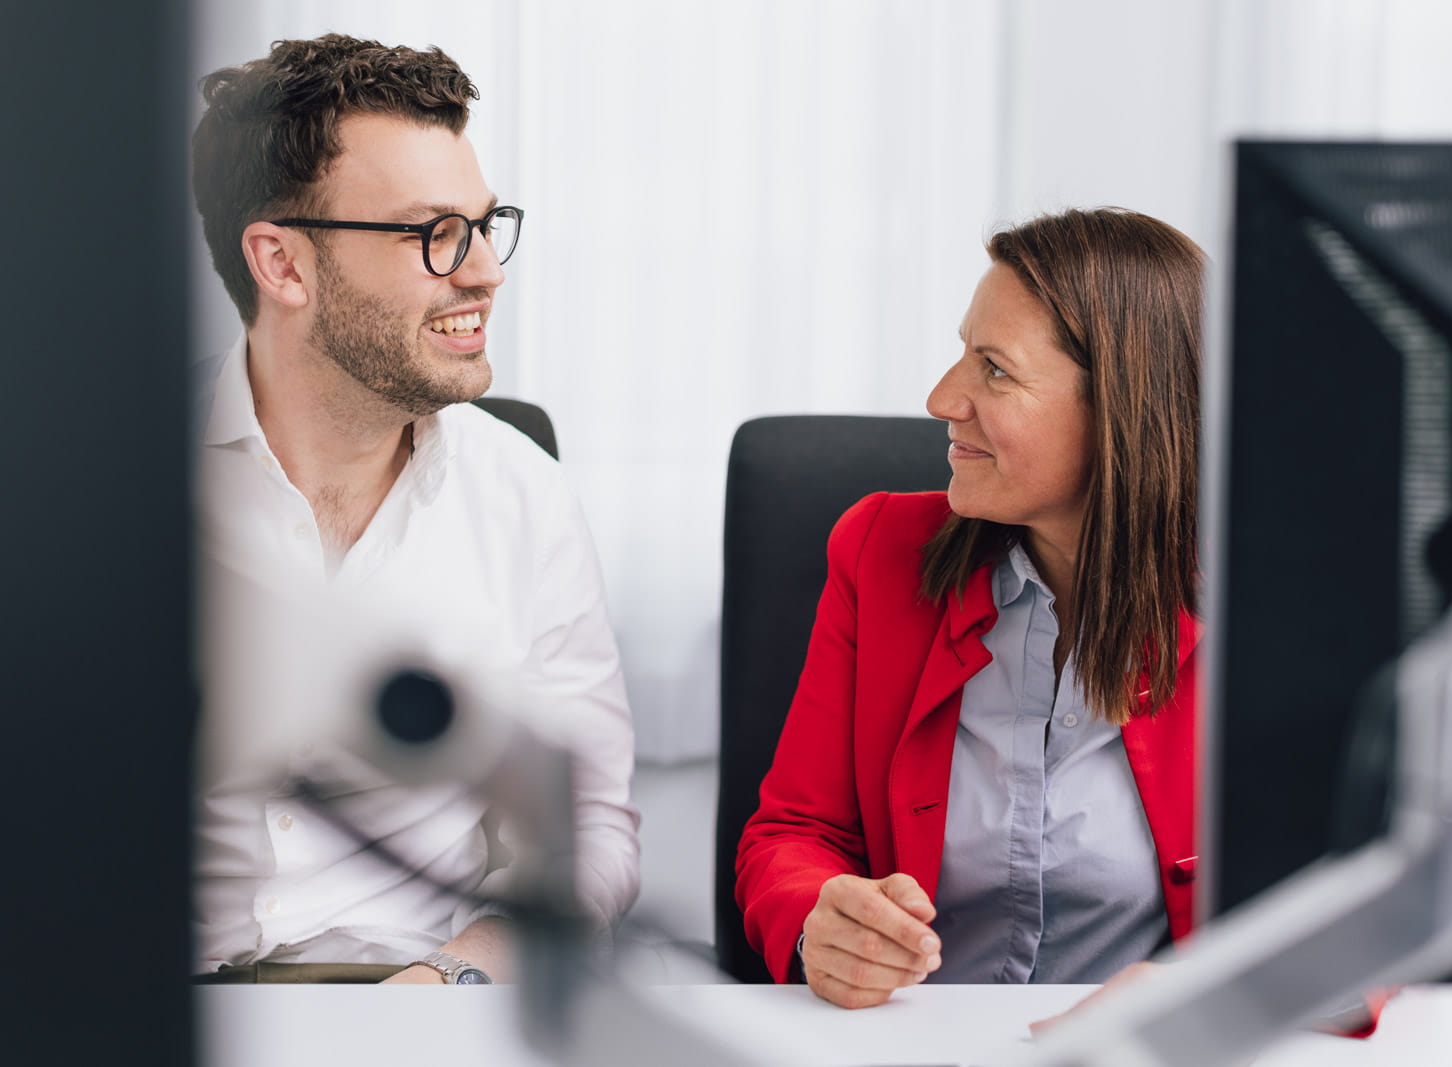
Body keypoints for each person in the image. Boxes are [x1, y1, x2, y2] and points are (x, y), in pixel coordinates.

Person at [190, 35, 638, 984]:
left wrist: (454, 979)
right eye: (434, 232)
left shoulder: (524, 497)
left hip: (420, 999)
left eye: (485, 223)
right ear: (282, 264)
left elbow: (589, 829)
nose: (484, 271)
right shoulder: (103, 492)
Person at [735, 208, 1204, 1006]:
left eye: (994, 368)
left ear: (1123, 409)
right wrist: (821, 921)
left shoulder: (1273, 603)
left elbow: (1365, 908)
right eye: (963, 353)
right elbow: (792, 836)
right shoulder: (880, 551)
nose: (941, 397)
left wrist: (1206, 994)